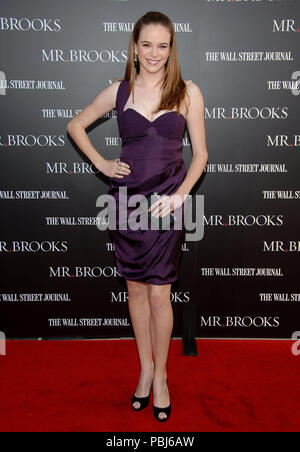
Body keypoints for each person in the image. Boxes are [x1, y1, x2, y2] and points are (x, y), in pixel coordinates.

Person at [67, 11, 208, 422]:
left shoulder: (187, 92)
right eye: (146, 44)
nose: (154, 53)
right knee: (135, 292)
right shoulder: (119, 91)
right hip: (126, 203)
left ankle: (161, 375)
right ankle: (144, 369)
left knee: (160, 294)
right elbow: (76, 125)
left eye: (162, 45)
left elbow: (200, 156)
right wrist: (103, 164)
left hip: (166, 204)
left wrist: (180, 197)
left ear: (171, 49)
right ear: (134, 46)